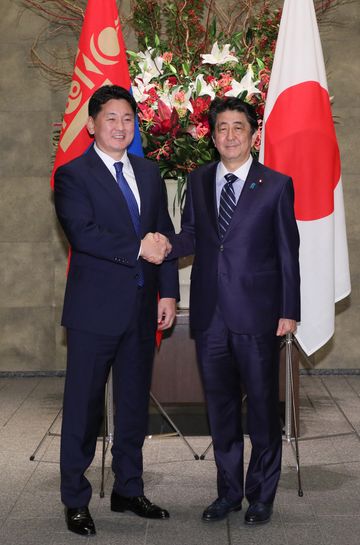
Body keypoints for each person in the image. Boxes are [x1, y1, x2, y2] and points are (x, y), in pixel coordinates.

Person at [167, 97, 300, 525]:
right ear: (212, 134)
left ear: (253, 134)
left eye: (238, 127)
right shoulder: (200, 179)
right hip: (209, 316)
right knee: (220, 410)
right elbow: (189, 235)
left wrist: (289, 310)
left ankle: (262, 494)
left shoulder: (276, 184)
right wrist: (162, 244)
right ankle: (228, 492)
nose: (230, 136)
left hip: (259, 315)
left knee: (262, 408)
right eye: (222, 127)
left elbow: (287, 255)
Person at [54, 85, 179, 537]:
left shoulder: (148, 172)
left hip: (142, 309)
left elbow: (162, 234)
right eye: (111, 118)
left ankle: (129, 488)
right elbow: (83, 234)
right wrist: (138, 246)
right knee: (84, 408)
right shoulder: (73, 175)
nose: (120, 127)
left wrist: (167, 294)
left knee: (131, 407)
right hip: (93, 312)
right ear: (91, 125)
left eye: (128, 119)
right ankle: (75, 498)